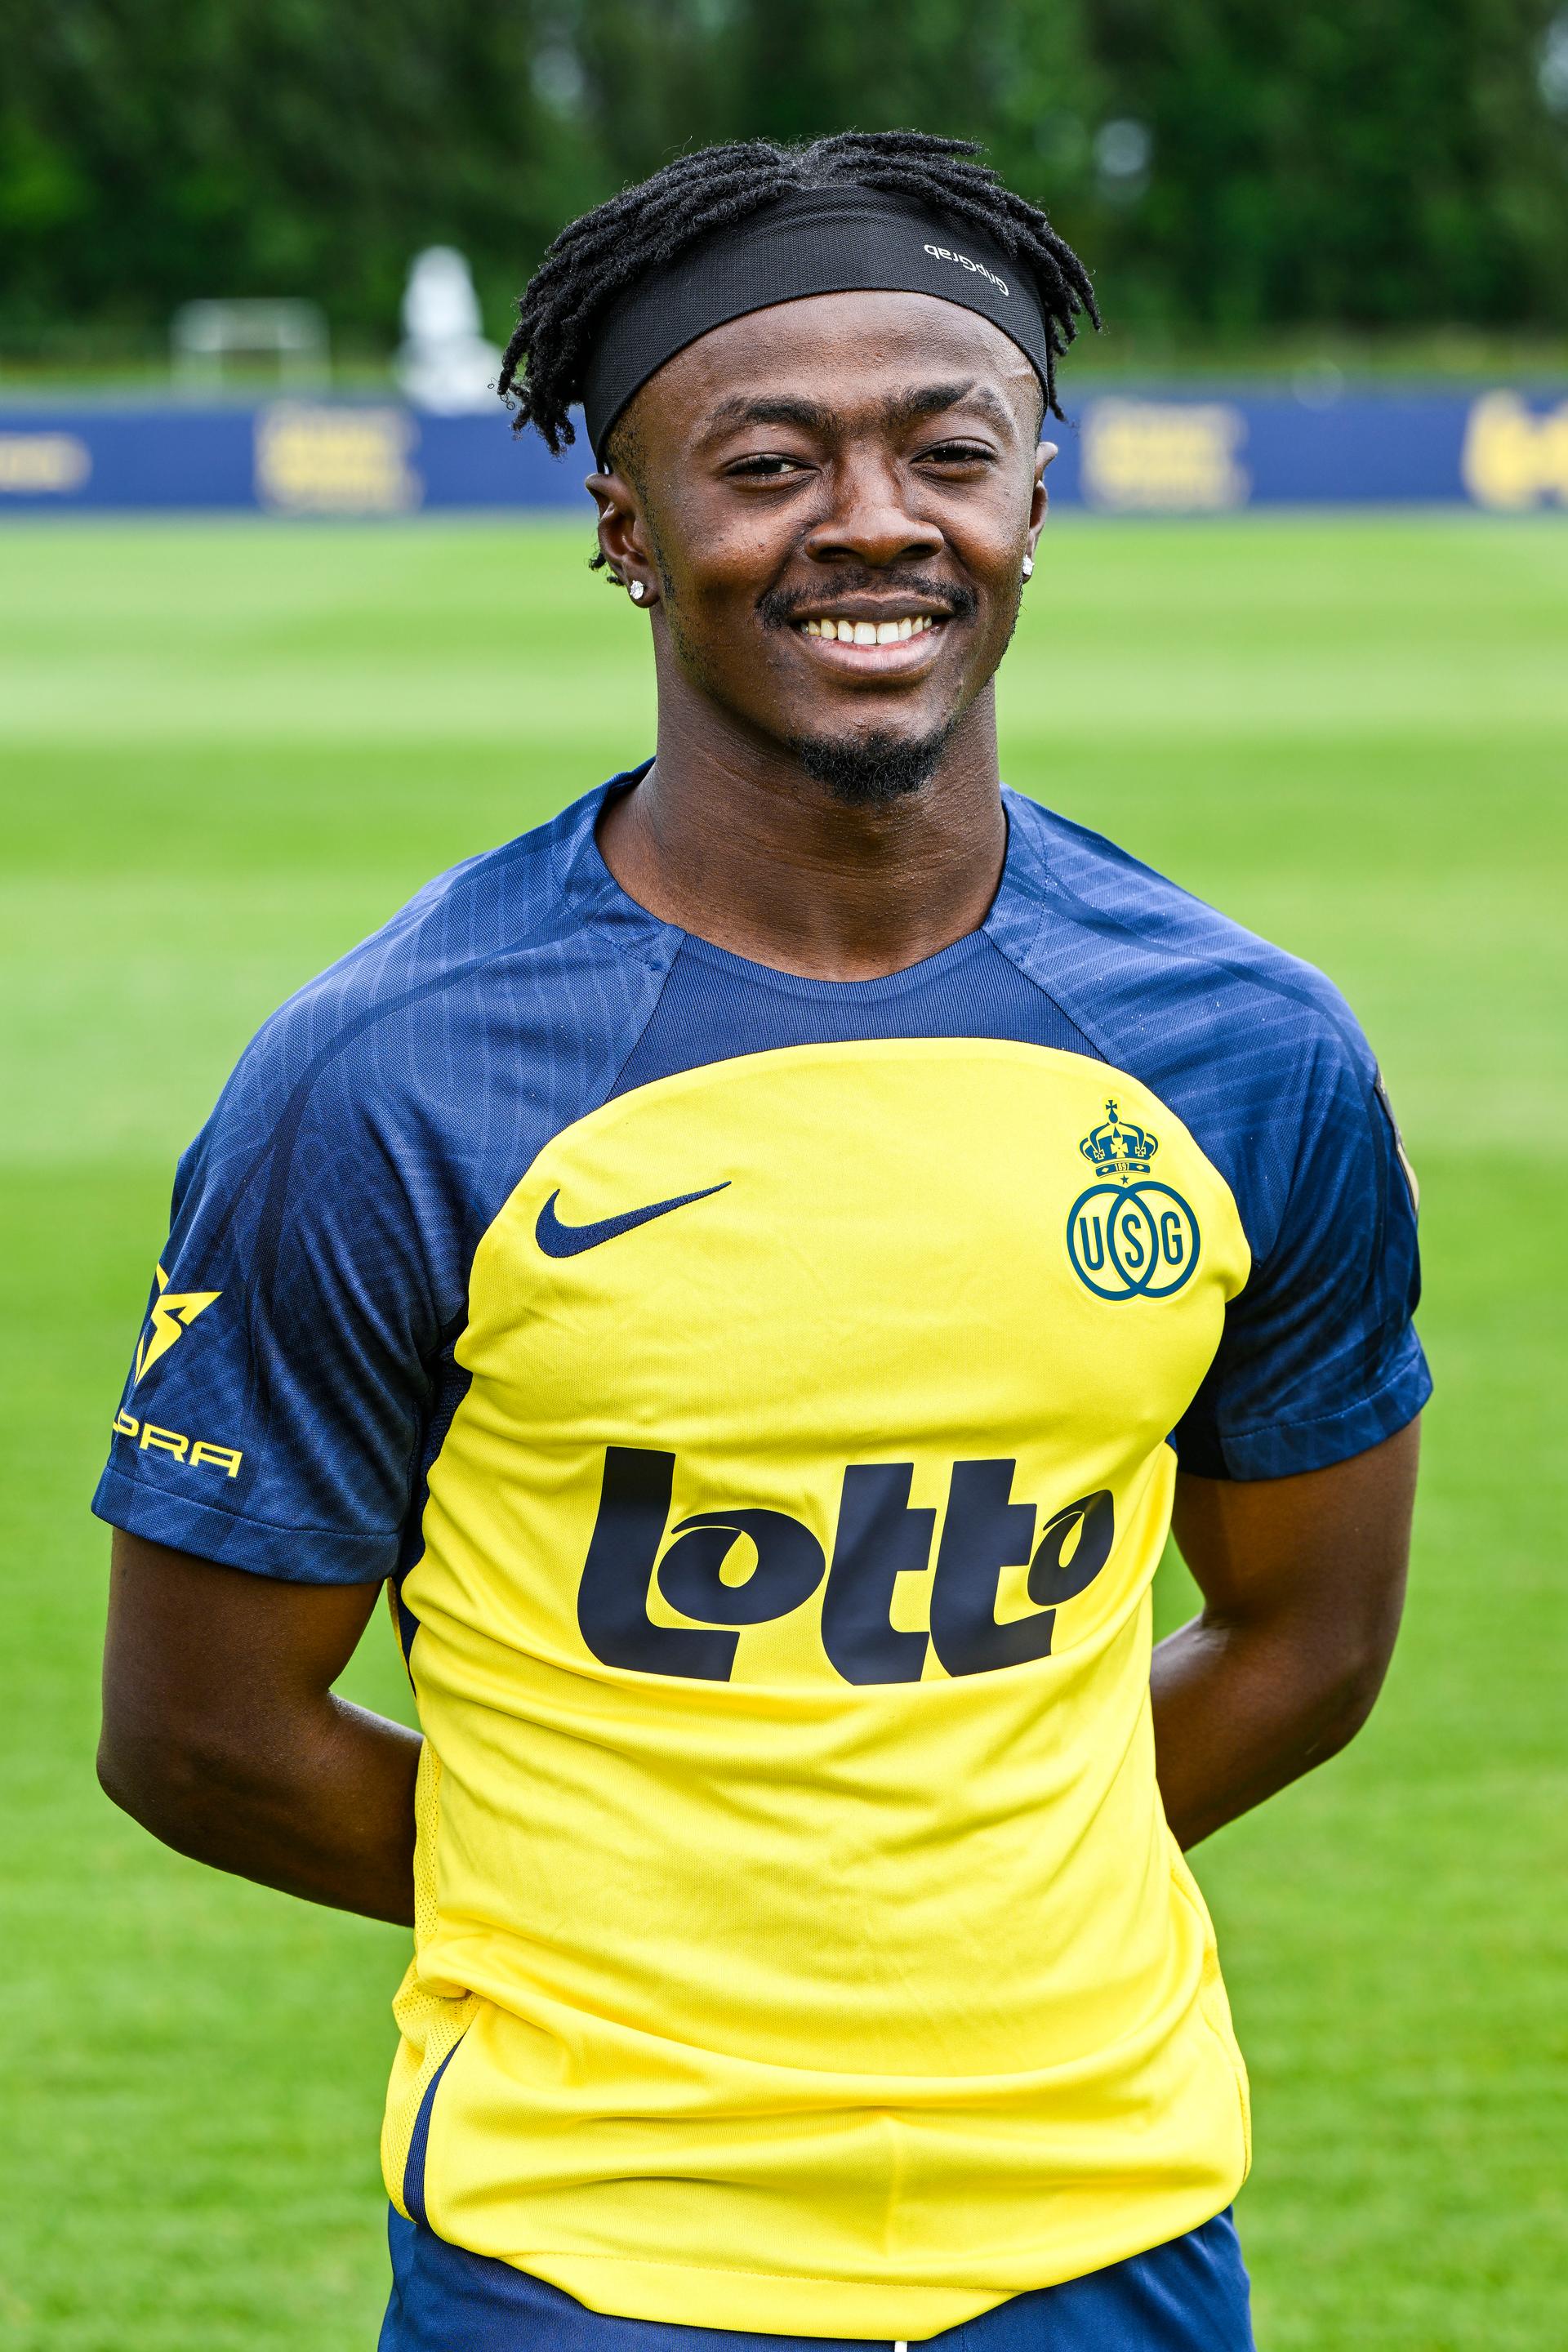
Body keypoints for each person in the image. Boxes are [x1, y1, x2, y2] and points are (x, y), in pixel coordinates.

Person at [94, 131, 1428, 2352]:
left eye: (948, 450)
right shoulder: (389, 1079)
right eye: (771, 461)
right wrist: (660, 1925)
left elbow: (1312, 1637)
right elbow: (206, 1738)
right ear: (627, 527)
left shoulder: (1246, 1051)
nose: (873, 522)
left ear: (1034, 497)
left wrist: (964, 1904)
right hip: (586, 2256)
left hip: (1112, 2229)